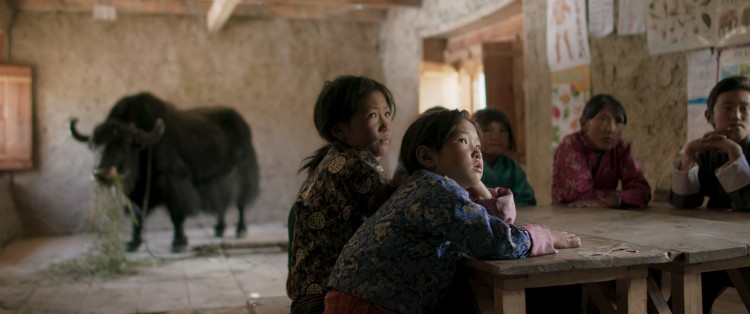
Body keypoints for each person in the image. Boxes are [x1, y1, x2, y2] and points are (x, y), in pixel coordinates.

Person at [324, 109, 581, 314]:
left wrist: (478, 184)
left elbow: (488, 223)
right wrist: (543, 235)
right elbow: (496, 241)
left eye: (478, 145)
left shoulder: (424, 187)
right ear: (427, 156)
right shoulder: (435, 190)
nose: (476, 150)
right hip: (371, 305)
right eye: (463, 141)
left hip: (357, 298)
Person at [286, 75, 398, 314]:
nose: (385, 125)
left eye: (387, 113)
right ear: (339, 130)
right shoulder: (357, 162)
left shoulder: (332, 158)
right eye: (372, 115)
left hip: (309, 298)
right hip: (328, 301)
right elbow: (400, 217)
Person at [670, 75, 750, 313]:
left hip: (747, 254)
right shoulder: (707, 151)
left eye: (744, 108)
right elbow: (686, 202)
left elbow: (747, 203)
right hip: (715, 250)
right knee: (684, 297)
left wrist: (736, 154)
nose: (736, 115)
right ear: (709, 116)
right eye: (727, 108)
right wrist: (688, 153)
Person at [552, 93, 652, 208]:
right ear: (584, 124)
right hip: (569, 218)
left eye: (618, 121)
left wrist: (612, 200)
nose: (611, 129)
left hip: (607, 221)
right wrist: (622, 197)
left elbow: (642, 190)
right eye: (603, 120)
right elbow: (581, 195)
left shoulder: (621, 148)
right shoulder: (570, 146)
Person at [473, 107, 537, 206]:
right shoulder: (467, 166)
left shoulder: (513, 168)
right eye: (487, 130)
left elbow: (527, 200)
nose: (495, 137)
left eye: (502, 130)